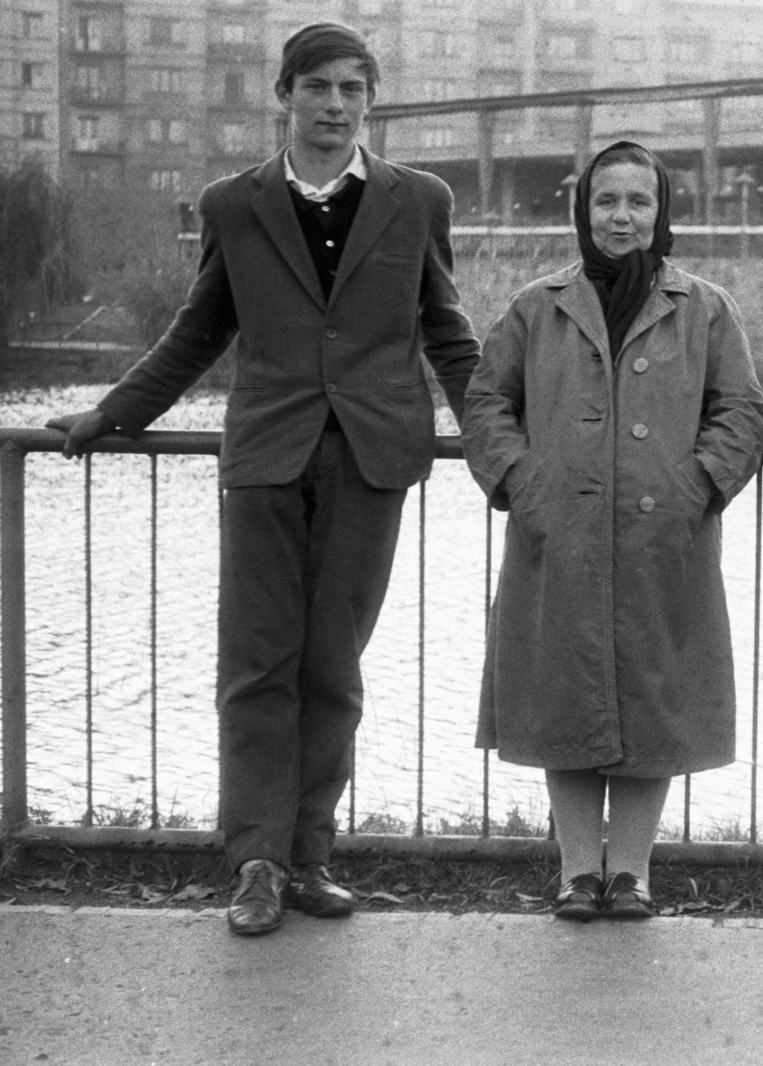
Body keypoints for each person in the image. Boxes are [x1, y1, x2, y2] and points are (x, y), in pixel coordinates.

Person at [45, 22, 480, 936]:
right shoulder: (234, 204)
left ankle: (310, 858)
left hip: (371, 459)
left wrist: (499, 438)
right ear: (282, 95)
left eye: (352, 89)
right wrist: (112, 415)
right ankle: (253, 864)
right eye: (316, 87)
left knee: (333, 667)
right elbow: (199, 330)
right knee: (256, 668)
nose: (334, 105)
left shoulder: (418, 199)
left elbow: (447, 331)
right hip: (267, 459)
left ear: (371, 101)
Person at [463, 141, 763, 921]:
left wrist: (695, 485)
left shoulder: (705, 307)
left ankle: (630, 871)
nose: (622, 217)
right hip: (556, 536)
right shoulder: (538, 306)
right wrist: (523, 485)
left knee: (650, 697)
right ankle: (575, 871)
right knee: (564, 695)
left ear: (662, 211)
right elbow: (486, 403)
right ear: (583, 211)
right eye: (607, 202)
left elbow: (741, 411)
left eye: (638, 201)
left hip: (665, 539)